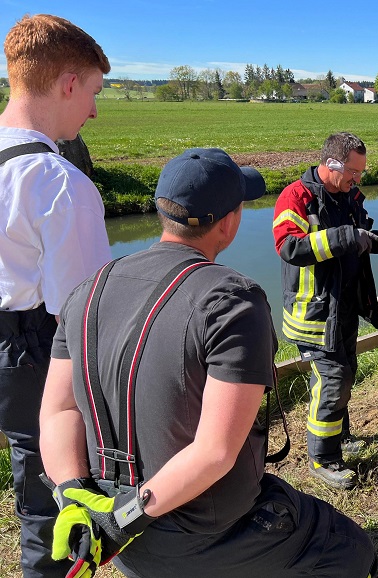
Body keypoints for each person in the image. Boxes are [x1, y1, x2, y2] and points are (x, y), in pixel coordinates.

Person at [39, 148, 377, 578]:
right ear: (229, 222)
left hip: (116, 537)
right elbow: (215, 452)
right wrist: (123, 520)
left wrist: (73, 495)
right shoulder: (232, 301)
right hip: (204, 534)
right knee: (353, 550)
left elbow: (58, 409)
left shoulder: (87, 289)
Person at [0, 14, 111, 577]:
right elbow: (87, 311)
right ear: (68, 83)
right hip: (37, 352)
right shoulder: (59, 184)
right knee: (57, 496)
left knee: (27, 471)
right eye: (92, 92)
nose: (93, 110)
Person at [272, 133, 378, 490]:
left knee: (344, 374)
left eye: (360, 172)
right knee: (333, 379)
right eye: (354, 171)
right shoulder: (296, 197)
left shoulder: (350, 195)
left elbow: (358, 234)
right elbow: (289, 247)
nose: (358, 179)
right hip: (313, 313)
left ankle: (339, 437)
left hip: (342, 308)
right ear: (332, 165)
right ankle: (322, 458)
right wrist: (347, 236)